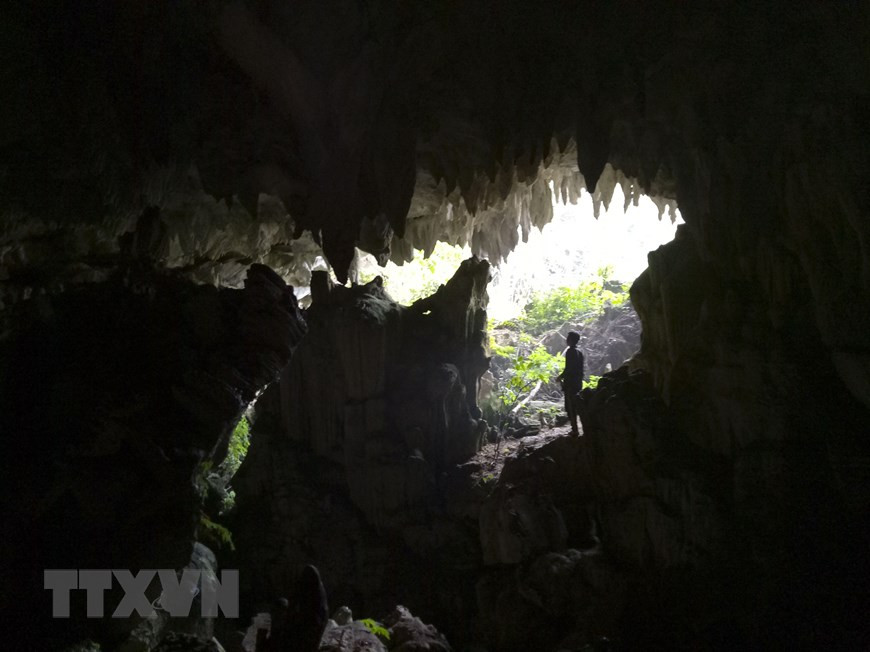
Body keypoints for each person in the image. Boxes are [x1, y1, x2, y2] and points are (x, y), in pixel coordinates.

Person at [557, 331, 584, 436]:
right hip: (577, 383)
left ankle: (575, 430)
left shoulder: (570, 352)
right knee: (577, 405)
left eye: (568, 338)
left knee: (570, 407)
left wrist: (561, 377)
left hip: (570, 384)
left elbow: (569, 368)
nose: (566, 340)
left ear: (572, 340)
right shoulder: (580, 352)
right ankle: (579, 427)